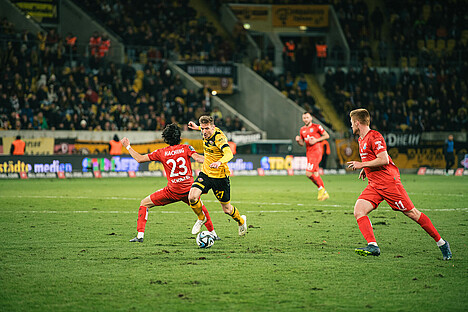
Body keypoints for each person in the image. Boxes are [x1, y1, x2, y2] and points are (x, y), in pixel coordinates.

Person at [347, 108, 452, 260]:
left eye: (351, 123)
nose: (351, 126)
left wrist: (362, 165)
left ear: (357, 122)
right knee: (359, 210)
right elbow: (373, 158)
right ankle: (373, 246)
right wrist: (366, 168)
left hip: (389, 183)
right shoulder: (361, 139)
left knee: (413, 213)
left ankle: (442, 243)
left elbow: (384, 159)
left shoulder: (375, 136)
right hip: (375, 184)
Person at [121, 123, 219, 242]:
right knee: (201, 209)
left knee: (144, 203)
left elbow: (139, 159)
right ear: (180, 138)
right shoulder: (186, 148)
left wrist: (128, 146)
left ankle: (140, 236)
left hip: (172, 191)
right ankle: (213, 234)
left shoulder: (161, 152)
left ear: (166, 139)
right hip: (189, 190)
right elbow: (198, 158)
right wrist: (215, 161)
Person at [187, 115, 247, 236]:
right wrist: (196, 127)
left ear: (213, 127)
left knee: (227, 210)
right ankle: (201, 218)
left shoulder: (219, 138)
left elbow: (229, 154)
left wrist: (219, 162)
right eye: (202, 129)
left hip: (220, 176)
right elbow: (204, 128)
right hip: (206, 173)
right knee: (192, 197)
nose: (204, 132)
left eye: (206, 129)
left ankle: (241, 221)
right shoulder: (206, 131)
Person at [295, 112, 330, 200]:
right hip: (309, 153)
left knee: (308, 173)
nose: (306, 119)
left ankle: (321, 189)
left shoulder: (317, 127)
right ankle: (324, 193)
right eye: (304, 118)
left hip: (316, 152)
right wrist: (298, 141)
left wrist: (316, 140)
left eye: (307, 117)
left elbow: (326, 135)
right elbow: (302, 143)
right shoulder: (302, 129)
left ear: (311, 118)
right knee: (315, 173)